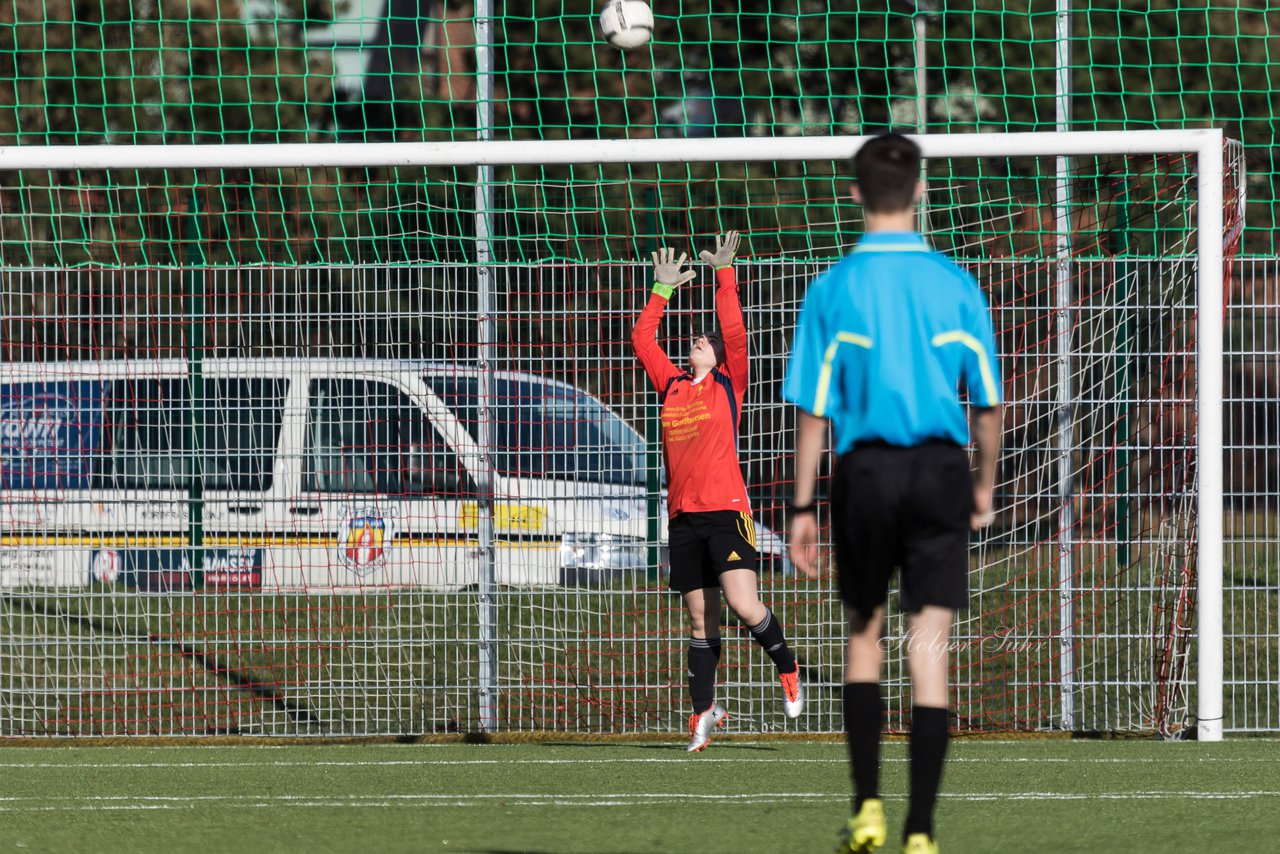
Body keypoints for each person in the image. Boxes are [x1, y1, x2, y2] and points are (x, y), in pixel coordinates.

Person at [782, 134, 1003, 854]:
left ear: (854, 193)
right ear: (920, 193)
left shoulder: (832, 287)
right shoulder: (954, 283)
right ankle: (921, 832)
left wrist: (802, 507)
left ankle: (869, 806)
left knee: (865, 637)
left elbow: (813, 409)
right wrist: (983, 486)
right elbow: (989, 406)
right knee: (928, 647)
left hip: (867, 474)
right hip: (941, 470)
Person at [631, 230, 804, 753]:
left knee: (742, 603)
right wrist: (661, 290)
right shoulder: (673, 385)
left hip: (726, 512)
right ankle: (703, 714)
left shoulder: (730, 381)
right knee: (701, 618)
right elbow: (643, 341)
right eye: (696, 340)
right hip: (683, 517)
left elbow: (735, 330)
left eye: (707, 340)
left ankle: (789, 667)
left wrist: (723, 275)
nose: (699, 341)